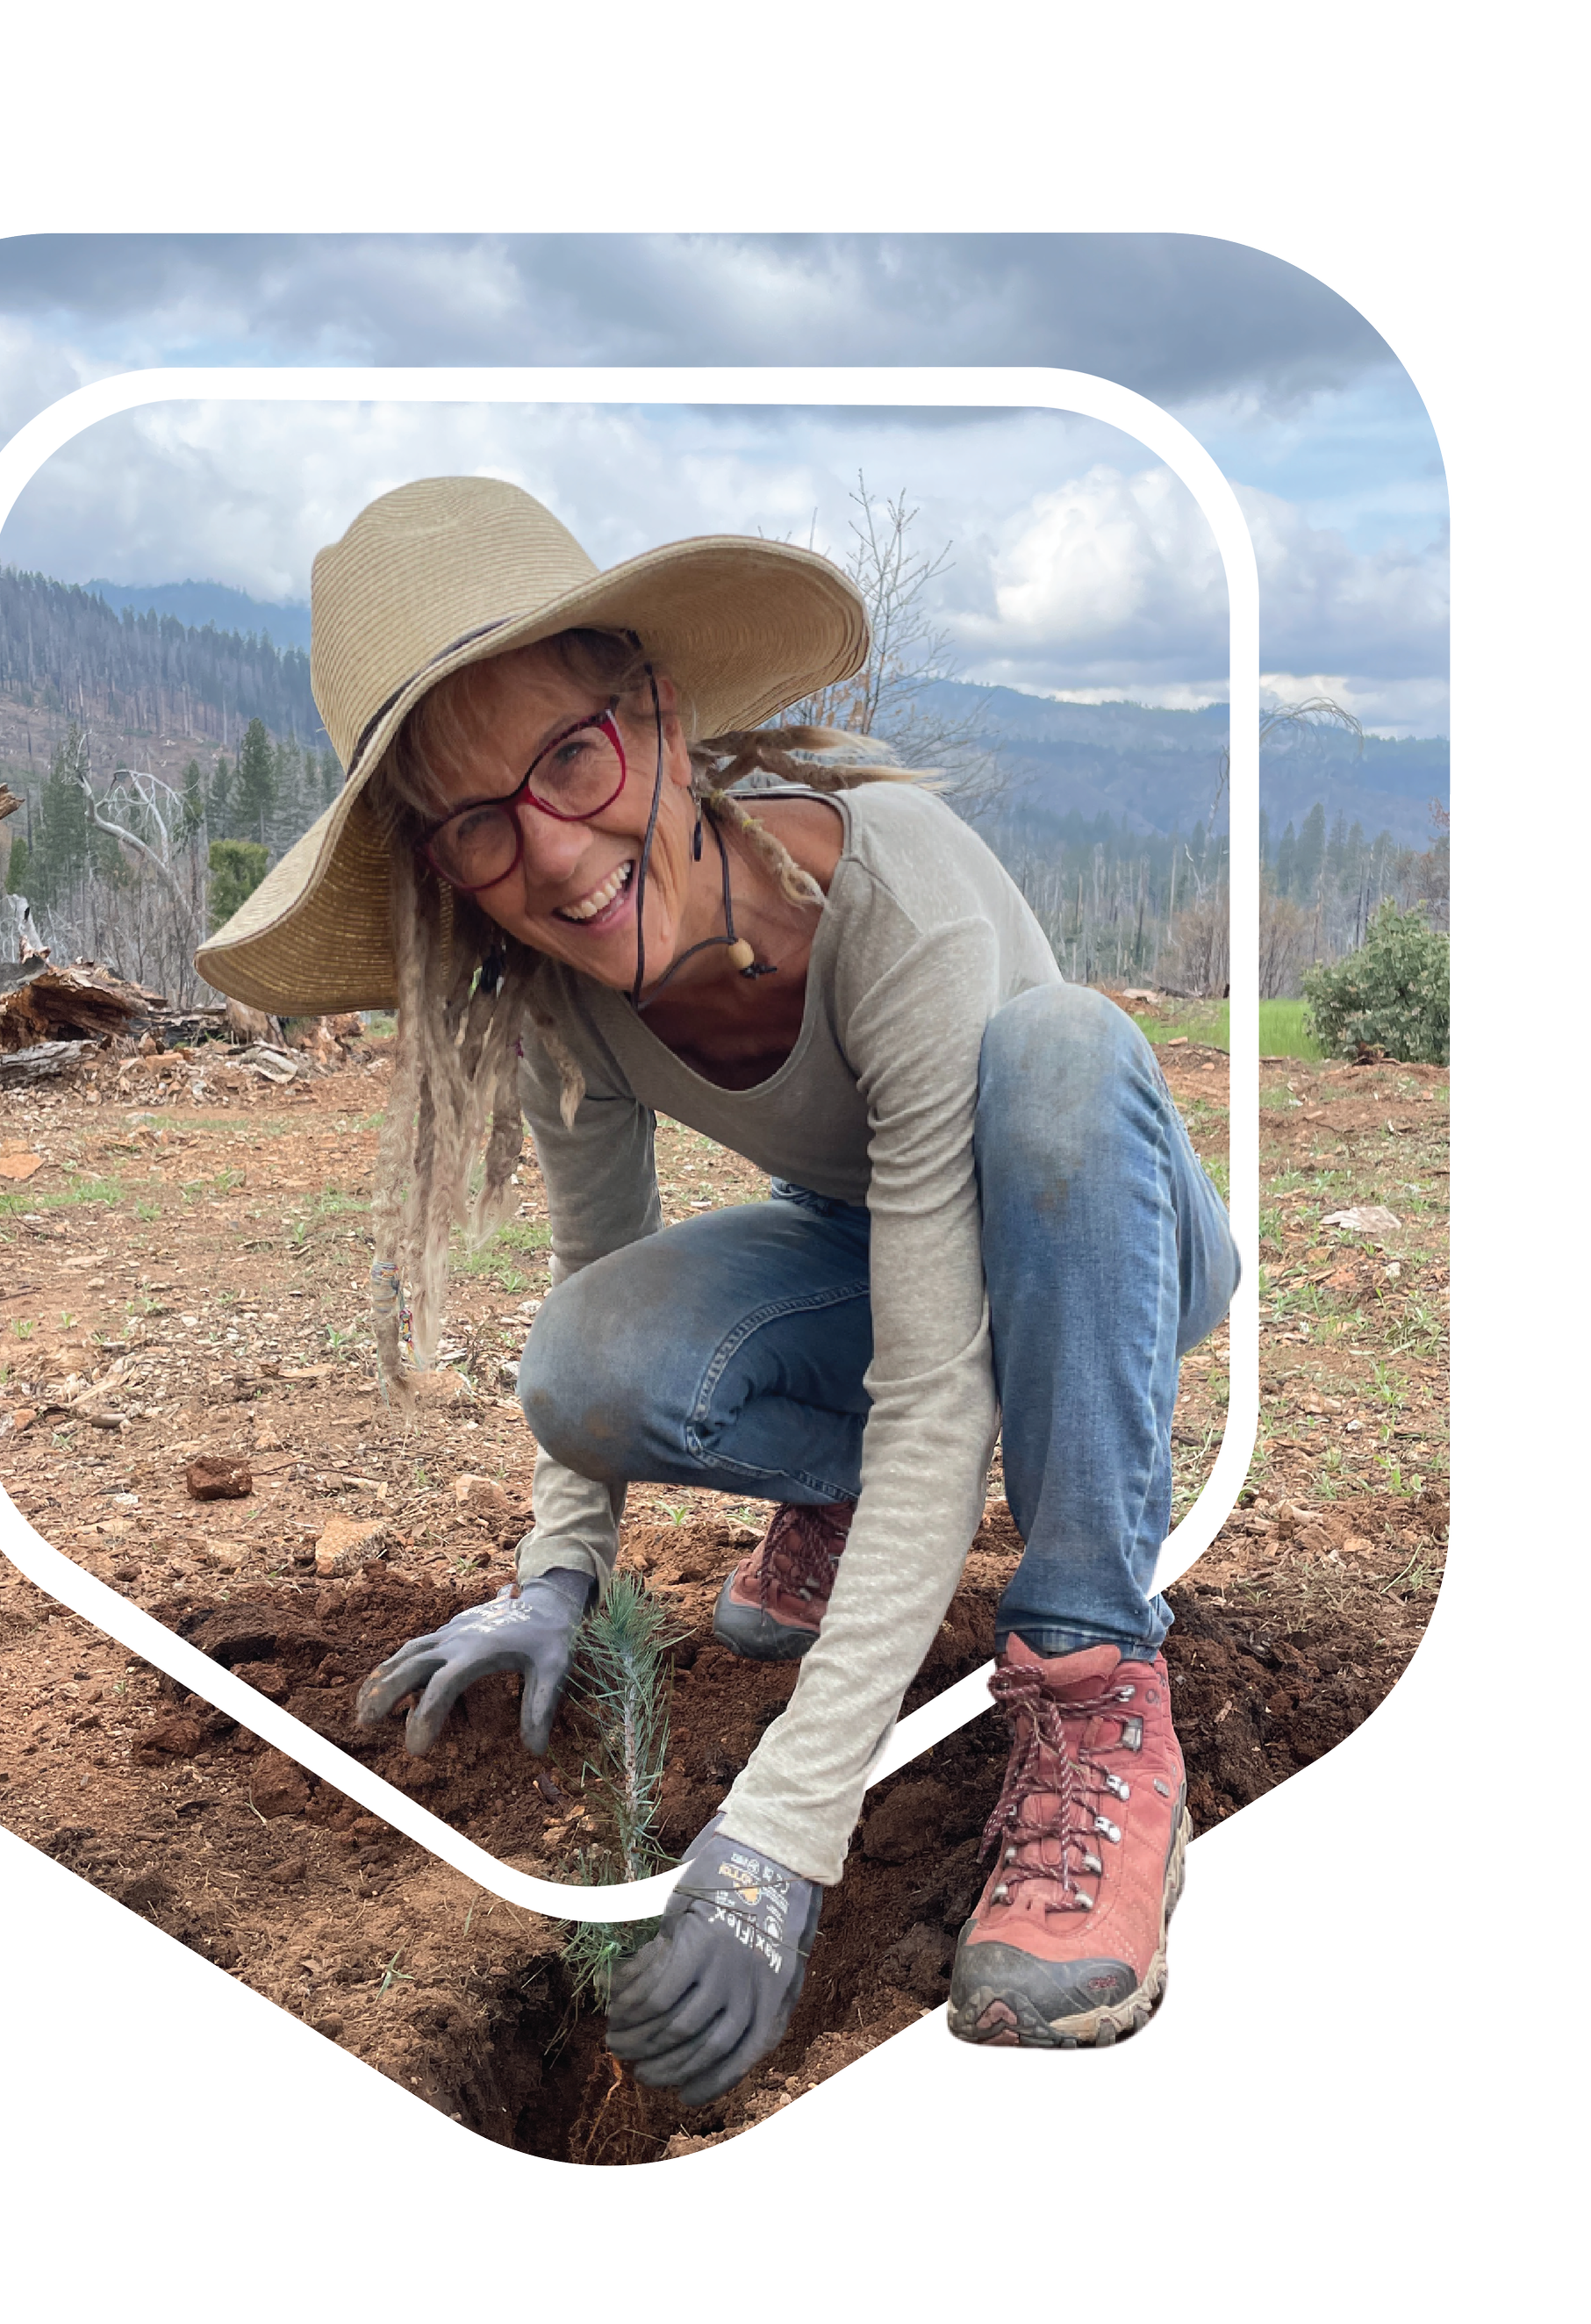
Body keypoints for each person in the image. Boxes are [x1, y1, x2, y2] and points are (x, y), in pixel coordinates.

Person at [197, 477, 1241, 2103]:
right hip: (872, 1251)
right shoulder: (556, 988)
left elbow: (941, 1379)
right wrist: (560, 1573)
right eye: (477, 823)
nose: (553, 851)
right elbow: (596, 1270)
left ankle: (1099, 1685)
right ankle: (838, 1512)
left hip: (1101, 1244)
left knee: (1055, 1051)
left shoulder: (896, 899)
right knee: (589, 1357)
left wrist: (781, 1835)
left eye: (569, 758)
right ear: (440, 869)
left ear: (659, 716)